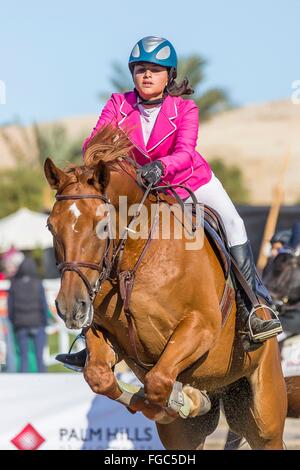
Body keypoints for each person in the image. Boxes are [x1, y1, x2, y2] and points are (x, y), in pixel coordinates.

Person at [57, 36, 281, 369]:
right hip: (138, 188)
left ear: (168, 76)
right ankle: (92, 332)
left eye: (155, 70)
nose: (147, 76)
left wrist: (161, 166)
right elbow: (95, 138)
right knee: (101, 238)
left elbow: (185, 152)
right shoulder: (118, 104)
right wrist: (102, 156)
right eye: (141, 69)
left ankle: (255, 306)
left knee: (233, 222)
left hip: (187, 181)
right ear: (132, 74)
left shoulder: (185, 108)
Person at [8, 256, 48, 372]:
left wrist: (14, 322)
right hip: (38, 323)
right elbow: (43, 304)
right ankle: (44, 382)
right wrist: (44, 321)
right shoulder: (38, 283)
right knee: (39, 357)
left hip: (21, 325)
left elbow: (10, 307)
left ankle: (22, 385)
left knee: (23, 357)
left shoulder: (14, 284)